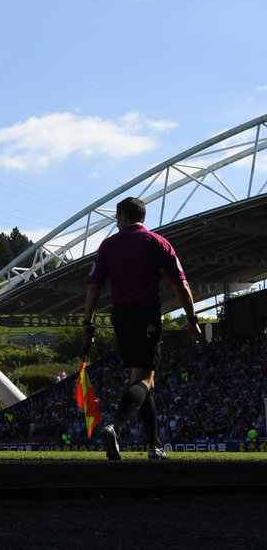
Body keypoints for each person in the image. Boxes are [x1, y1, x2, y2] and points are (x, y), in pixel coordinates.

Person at [80, 196, 202, 461]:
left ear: (122, 217)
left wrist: (87, 322)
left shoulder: (108, 245)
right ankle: (116, 427)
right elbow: (181, 284)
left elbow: (94, 285)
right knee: (143, 380)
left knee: (145, 381)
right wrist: (192, 320)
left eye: (116, 217)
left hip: (120, 315)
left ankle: (154, 445)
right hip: (146, 313)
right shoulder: (158, 243)